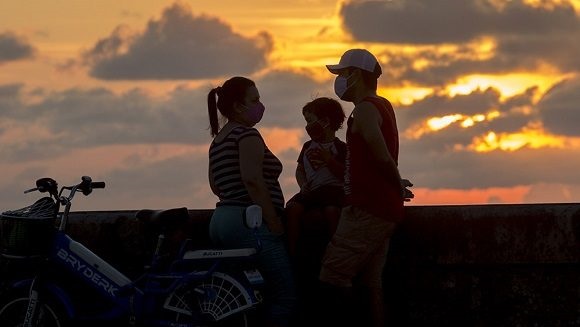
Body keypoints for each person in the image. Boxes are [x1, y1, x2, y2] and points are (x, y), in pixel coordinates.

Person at [318, 49, 414, 327]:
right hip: (380, 208)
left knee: (332, 275)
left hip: (367, 209)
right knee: (370, 283)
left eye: (343, 74)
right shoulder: (382, 105)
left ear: (356, 76)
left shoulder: (364, 110)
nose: (339, 80)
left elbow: (381, 154)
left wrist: (396, 185)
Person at [206, 76, 295, 327]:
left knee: (246, 297)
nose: (260, 105)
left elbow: (216, 186)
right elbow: (253, 180)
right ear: (237, 106)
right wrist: (274, 221)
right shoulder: (247, 136)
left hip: (222, 220)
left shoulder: (218, 141)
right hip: (249, 222)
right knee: (285, 296)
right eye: (254, 100)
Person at [285, 97, 347, 257]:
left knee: (332, 212)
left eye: (310, 120)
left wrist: (329, 160)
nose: (308, 126)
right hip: (312, 190)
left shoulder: (341, 148)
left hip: (333, 192)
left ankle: (335, 253)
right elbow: (300, 170)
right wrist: (303, 184)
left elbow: (344, 174)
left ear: (326, 121)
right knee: (292, 208)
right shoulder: (307, 146)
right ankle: (292, 251)